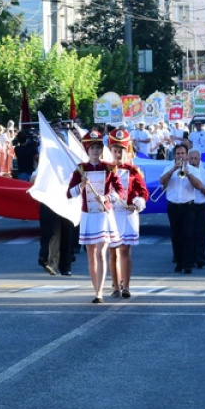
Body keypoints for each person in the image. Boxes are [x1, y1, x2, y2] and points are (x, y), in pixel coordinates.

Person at [67, 130, 124, 304]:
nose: (95, 151)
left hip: (104, 215)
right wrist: (81, 186)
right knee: (91, 255)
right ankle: (96, 291)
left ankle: (100, 292)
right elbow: (69, 194)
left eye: (98, 147)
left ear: (101, 149)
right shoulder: (80, 170)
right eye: (92, 148)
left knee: (101, 253)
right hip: (88, 215)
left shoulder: (108, 168)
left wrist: (107, 198)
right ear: (87, 149)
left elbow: (120, 191)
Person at [107, 128, 148, 299]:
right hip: (111, 214)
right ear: (110, 151)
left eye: (121, 151)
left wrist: (138, 202)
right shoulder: (105, 170)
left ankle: (126, 286)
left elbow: (143, 191)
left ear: (126, 151)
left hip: (127, 213)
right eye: (115, 151)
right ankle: (115, 286)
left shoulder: (133, 171)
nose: (118, 154)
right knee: (113, 251)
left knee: (125, 250)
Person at [159, 143, 200, 274]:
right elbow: (162, 181)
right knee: (175, 235)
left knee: (188, 234)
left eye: (183, 154)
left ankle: (187, 264)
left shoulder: (193, 170)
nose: (180, 156)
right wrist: (173, 170)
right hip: (173, 206)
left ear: (187, 156)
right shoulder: (168, 167)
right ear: (174, 155)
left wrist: (189, 174)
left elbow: (198, 186)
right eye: (178, 154)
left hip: (188, 206)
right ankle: (179, 261)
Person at [188, 148, 205, 269]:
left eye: (195, 158)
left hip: (200, 206)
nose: (193, 161)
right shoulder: (184, 172)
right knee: (188, 234)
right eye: (191, 158)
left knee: (200, 233)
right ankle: (189, 258)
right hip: (188, 205)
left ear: (199, 159)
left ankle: (200, 259)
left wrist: (199, 186)